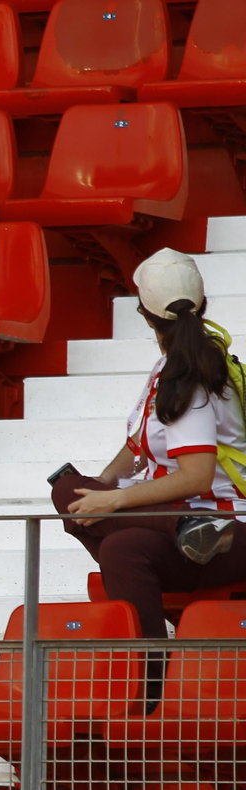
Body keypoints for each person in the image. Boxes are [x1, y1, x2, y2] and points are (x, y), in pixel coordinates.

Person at [52, 247, 246, 649]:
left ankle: (148, 690)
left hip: (229, 528)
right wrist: (103, 485)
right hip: (179, 523)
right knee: (69, 491)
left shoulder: (191, 373)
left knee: (121, 547)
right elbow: (136, 447)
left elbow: (197, 475)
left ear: (144, 315)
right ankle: (182, 529)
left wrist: (117, 501)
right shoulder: (168, 365)